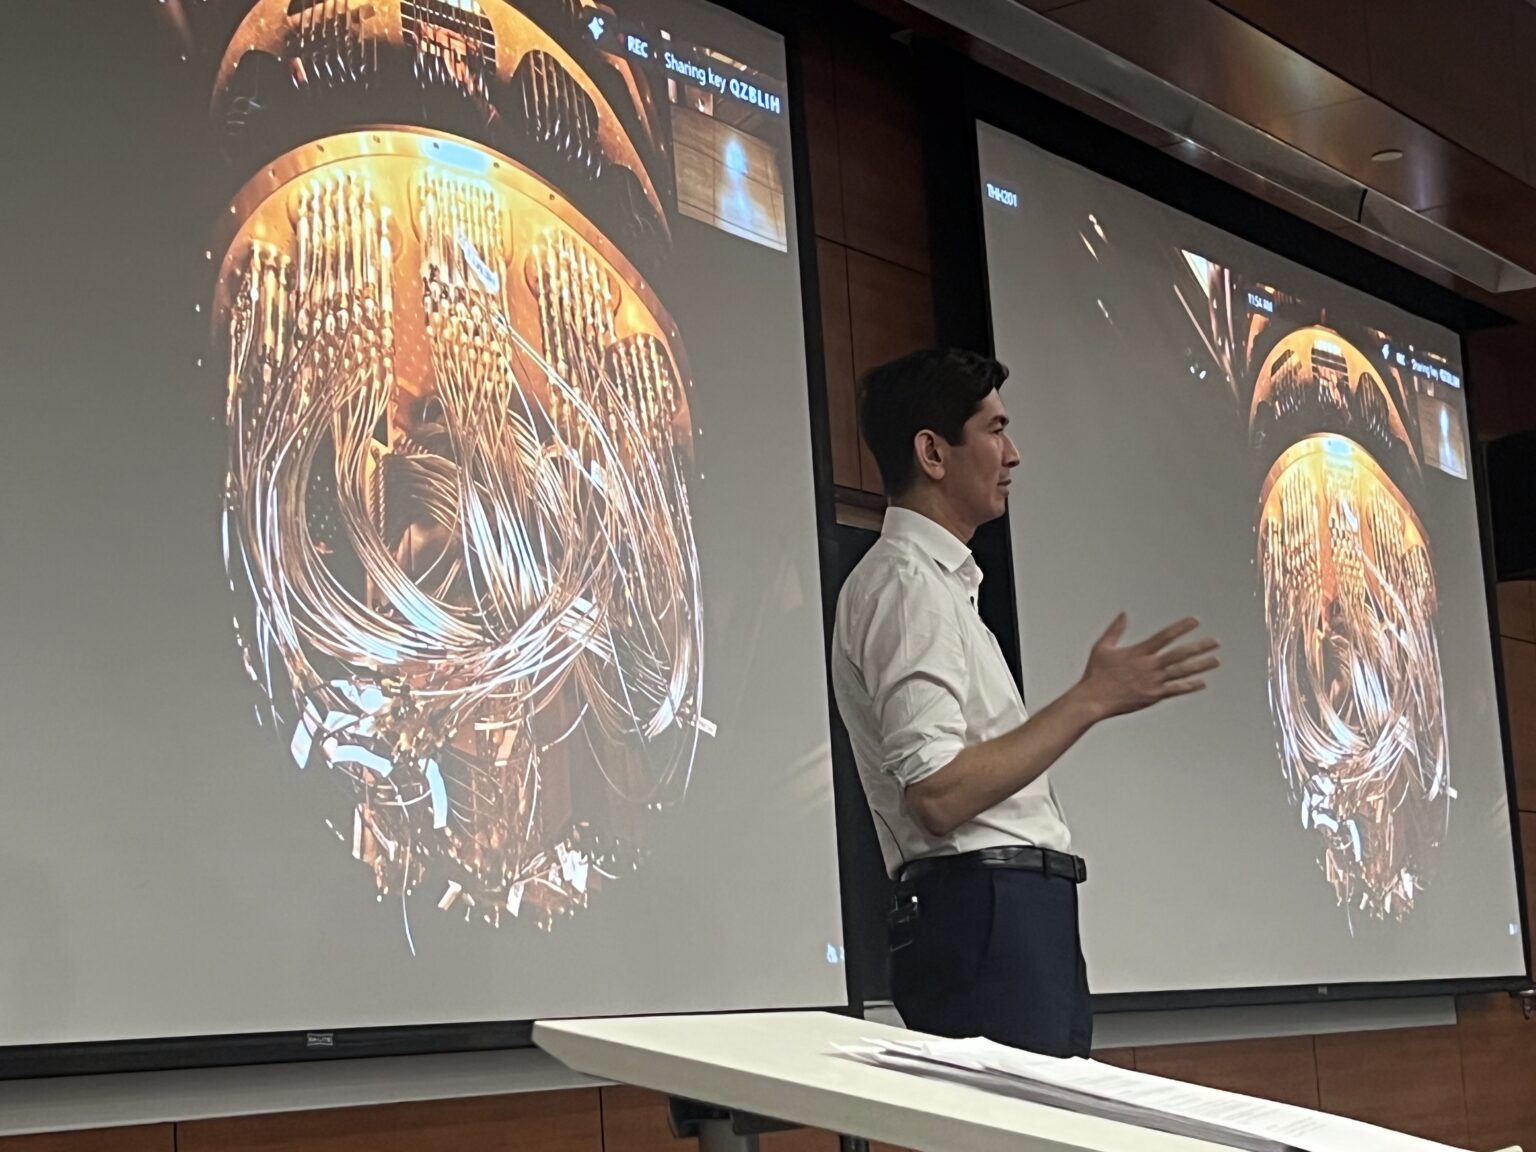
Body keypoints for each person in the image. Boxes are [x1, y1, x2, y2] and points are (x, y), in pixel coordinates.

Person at [830, 346, 1219, 1057]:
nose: (1013, 455)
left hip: (1010, 914)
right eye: (995, 430)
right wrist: (1089, 700)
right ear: (933, 453)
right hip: (981, 912)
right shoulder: (907, 587)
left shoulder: (941, 587)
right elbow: (937, 793)